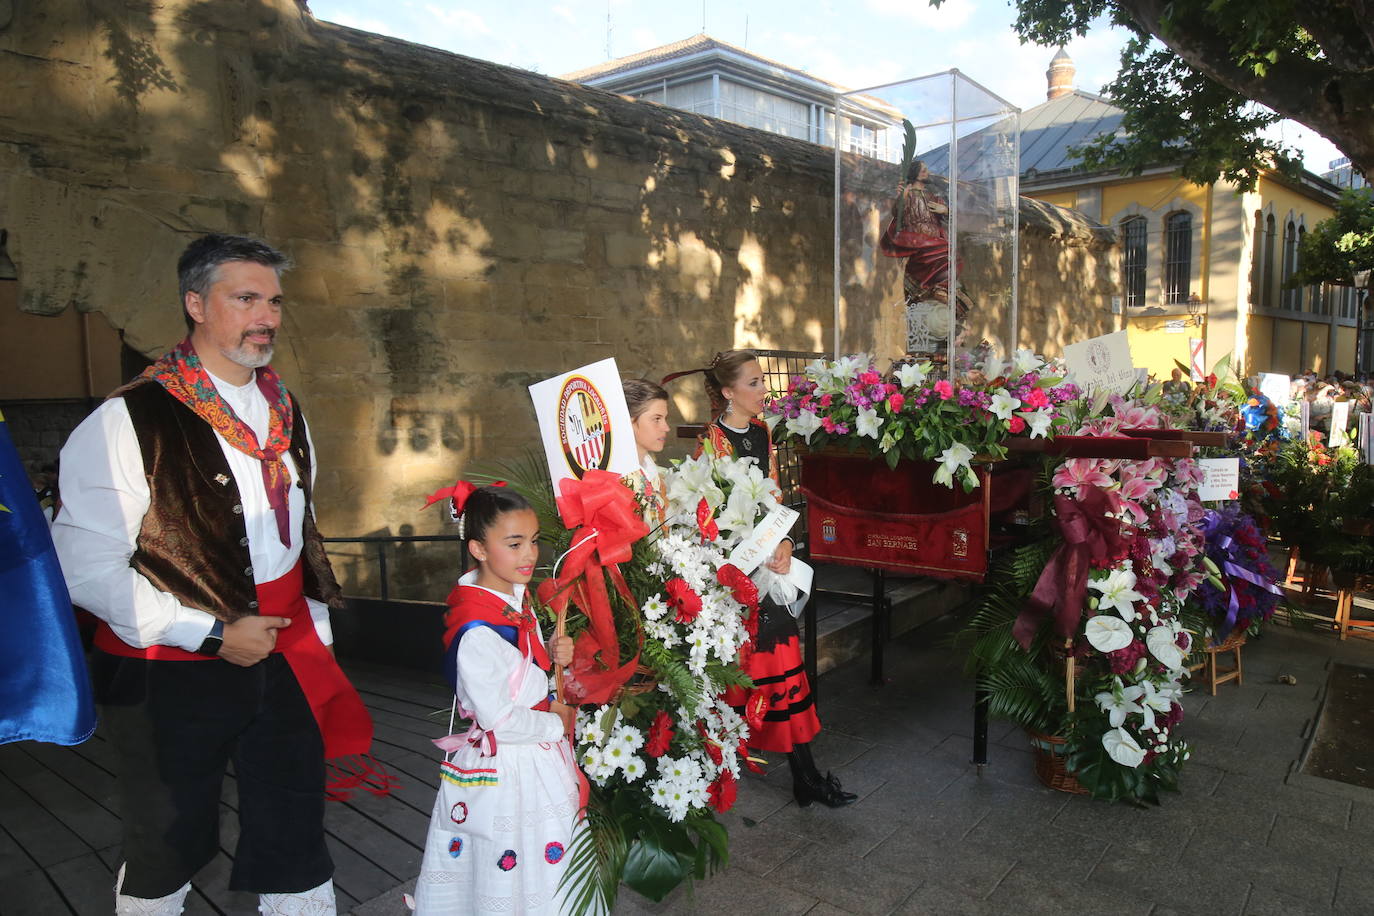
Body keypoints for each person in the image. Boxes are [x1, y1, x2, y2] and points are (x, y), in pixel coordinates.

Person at [52, 234, 380, 915]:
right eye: (246, 298)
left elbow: (295, 538)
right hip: (168, 669)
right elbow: (83, 568)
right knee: (165, 845)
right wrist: (207, 633)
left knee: (295, 831)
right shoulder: (127, 420)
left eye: (275, 301)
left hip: (285, 653)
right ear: (195, 304)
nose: (267, 316)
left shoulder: (285, 408)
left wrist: (314, 630)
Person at [683, 349, 856, 808]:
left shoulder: (761, 432)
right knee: (762, 669)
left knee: (783, 667)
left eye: (763, 382)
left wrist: (783, 544)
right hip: (738, 575)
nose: (765, 391)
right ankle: (758, 772)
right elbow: (711, 518)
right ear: (727, 392)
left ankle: (804, 775)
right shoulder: (710, 444)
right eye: (755, 383)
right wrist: (754, 556)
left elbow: (775, 495)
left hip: (769, 563)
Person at [412, 484, 581, 914]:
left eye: (534, 540)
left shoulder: (509, 600)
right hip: (510, 765)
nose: (530, 555)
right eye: (514, 543)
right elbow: (499, 721)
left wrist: (554, 654)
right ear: (479, 549)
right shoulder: (479, 628)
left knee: (547, 867)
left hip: (536, 756)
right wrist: (556, 723)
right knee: (512, 869)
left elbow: (520, 673)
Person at [622, 378, 671, 530]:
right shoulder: (618, 480)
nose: (666, 427)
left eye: (665, 419)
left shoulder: (654, 473)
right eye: (656, 419)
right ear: (628, 422)